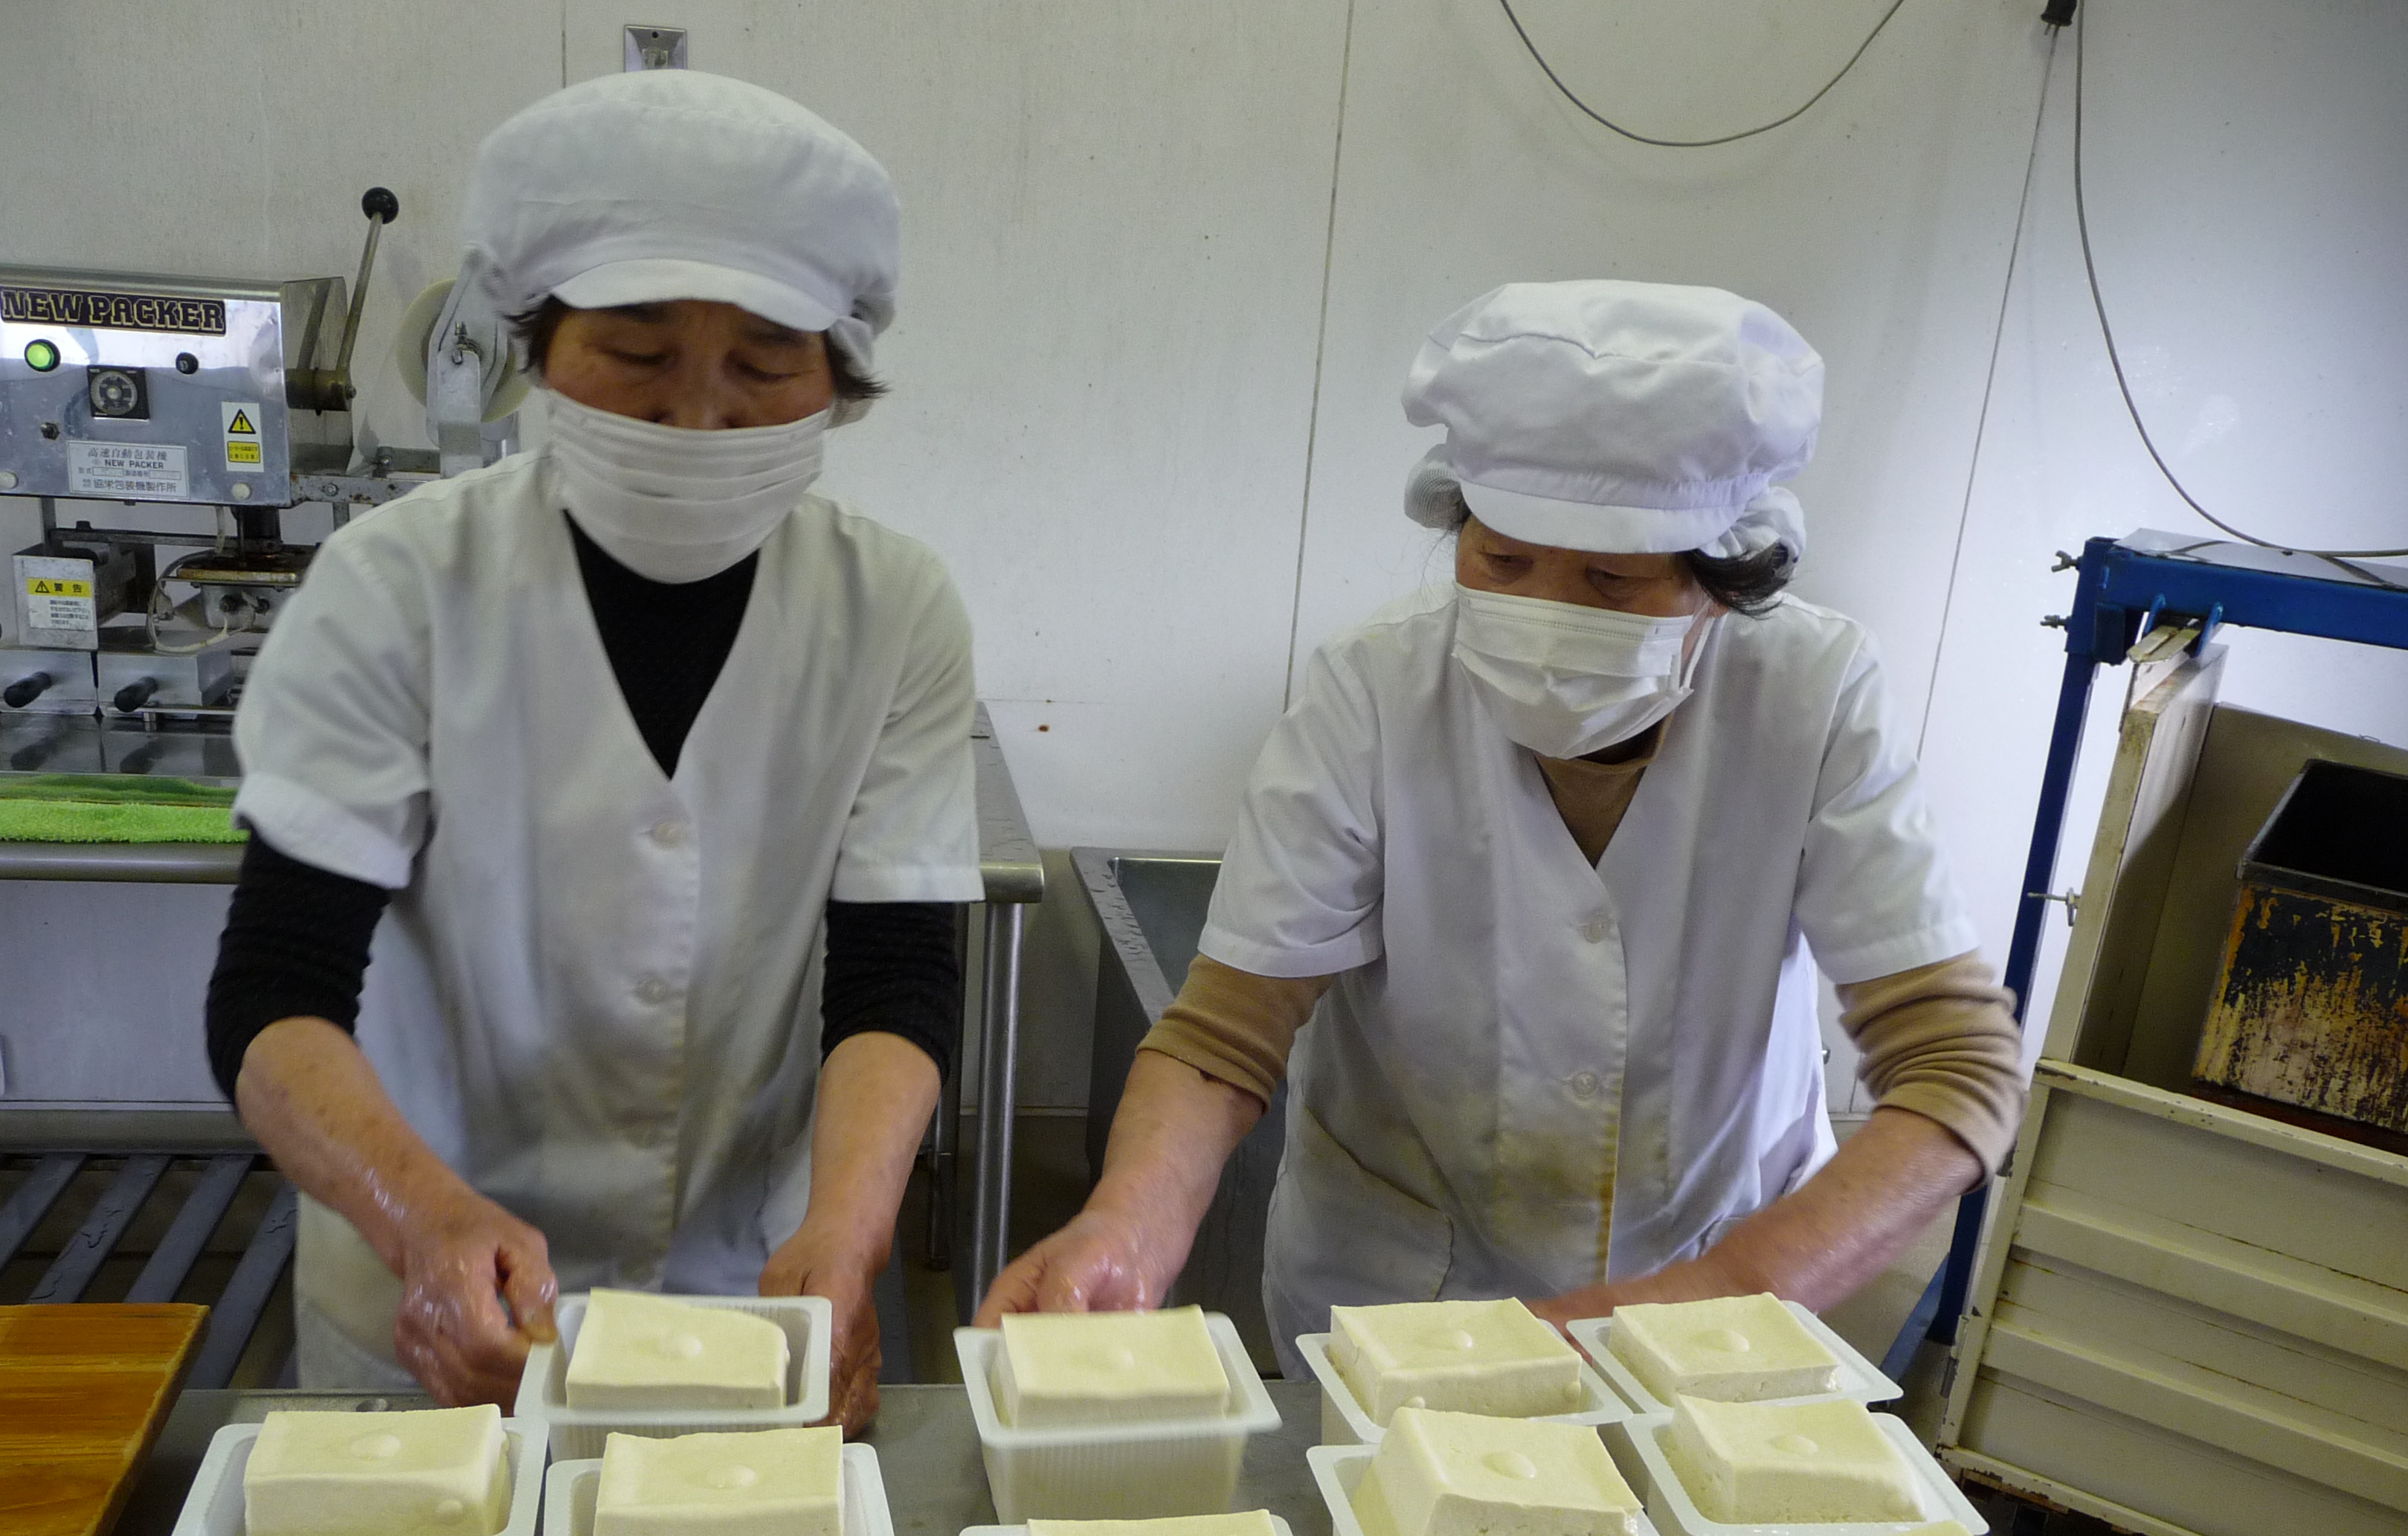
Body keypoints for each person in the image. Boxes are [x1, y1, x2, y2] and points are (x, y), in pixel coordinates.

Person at [979, 281, 2023, 1368]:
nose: (1547, 614)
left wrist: (1715, 1292)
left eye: (1612, 581)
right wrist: (1128, 1224)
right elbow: (1223, 1037)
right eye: (1504, 561)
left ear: (1725, 578)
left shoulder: (1811, 695)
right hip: (1402, 1294)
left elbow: (1957, 1067)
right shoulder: (1375, 691)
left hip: (1712, 1286)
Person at [207, 70, 981, 1429]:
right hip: (427, 1290)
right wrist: (423, 1220)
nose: (698, 415)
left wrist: (848, 1231)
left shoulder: (892, 609)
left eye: (764, 365)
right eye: (636, 354)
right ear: (539, 344)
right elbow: (275, 991)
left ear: (839, 377)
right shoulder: (396, 585)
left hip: (738, 1286)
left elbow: (895, 978)